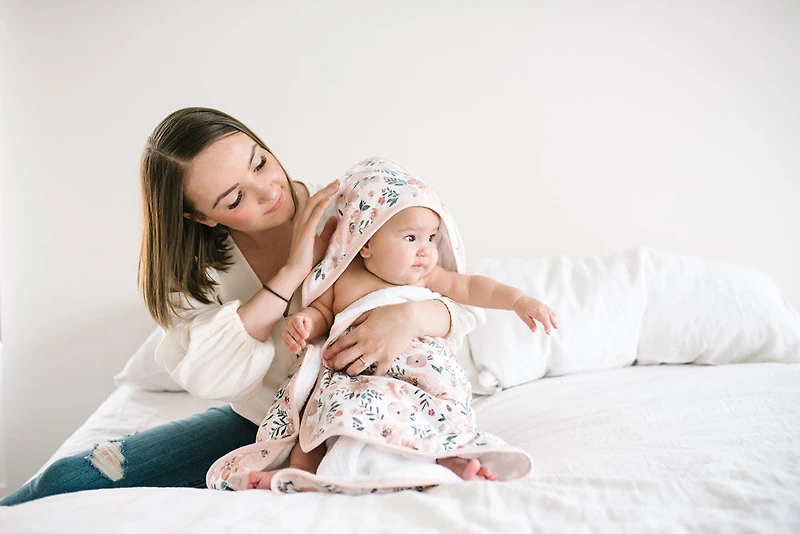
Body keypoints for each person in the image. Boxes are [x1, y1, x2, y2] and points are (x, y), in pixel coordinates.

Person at [0, 108, 483, 506]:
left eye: (259, 163)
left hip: (386, 402)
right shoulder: (200, 275)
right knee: (63, 484)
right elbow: (211, 377)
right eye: (234, 199)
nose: (269, 191)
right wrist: (292, 271)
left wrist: (410, 317)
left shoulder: (360, 207)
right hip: (266, 423)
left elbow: (462, 304)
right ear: (199, 216)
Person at [232, 159, 554, 492]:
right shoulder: (341, 277)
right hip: (355, 373)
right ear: (366, 242)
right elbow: (322, 315)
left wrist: (518, 301)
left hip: (421, 370)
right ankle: (300, 473)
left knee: (439, 412)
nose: (426, 251)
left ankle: (452, 459)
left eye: (431, 237)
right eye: (411, 237)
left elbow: (472, 287)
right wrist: (303, 322)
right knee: (318, 412)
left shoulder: (428, 275)